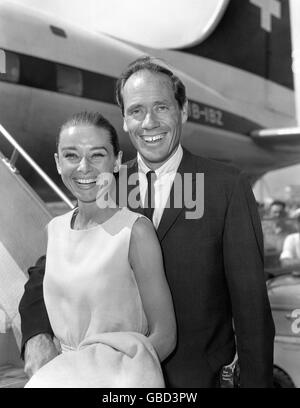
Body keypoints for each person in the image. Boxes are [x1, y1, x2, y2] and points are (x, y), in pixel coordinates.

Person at [19, 56, 275, 388]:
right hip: (112, 382)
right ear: (124, 120)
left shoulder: (225, 187)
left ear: (182, 111)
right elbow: (47, 271)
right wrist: (36, 335)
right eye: (136, 111)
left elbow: (252, 308)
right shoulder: (102, 184)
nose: (149, 122)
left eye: (162, 108)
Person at [23, 112, 176, 387]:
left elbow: (165, 336)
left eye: (96, 155)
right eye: (71, 155)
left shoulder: (135, 231)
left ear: (116, 161)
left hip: (122, 381)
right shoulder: (55, 230)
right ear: (58, 162)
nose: (84, 167)